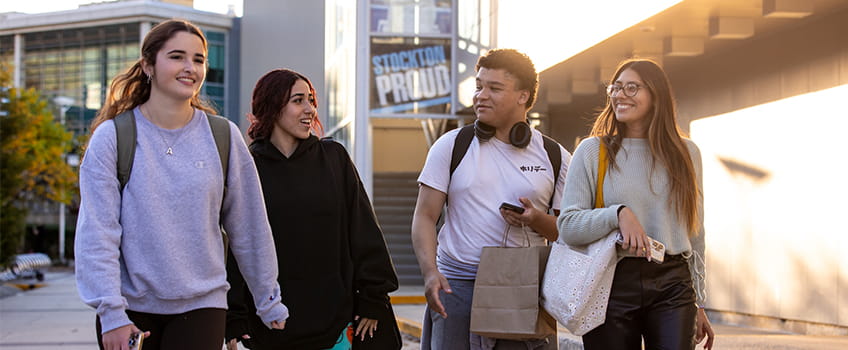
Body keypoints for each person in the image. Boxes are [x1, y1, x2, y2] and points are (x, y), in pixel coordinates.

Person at [74, 19, 288, 350]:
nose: (190, 68)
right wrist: (111, 312)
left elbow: (249, 225)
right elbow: (97, 233)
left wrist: (267, 296)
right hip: (129, 309)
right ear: (148, 64)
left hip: (203, 304)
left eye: (199, 59)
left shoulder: (222, 136)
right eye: (177, 57)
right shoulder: (114, 137)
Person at [225, 68, 401, 350]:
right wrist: (234, 314)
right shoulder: (248, 167)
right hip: (271, 326)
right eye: (298, 100)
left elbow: (363, 230)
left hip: (337, 324)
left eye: (311, 100)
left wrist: (373, 297)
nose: (309, 109)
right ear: (271, 106)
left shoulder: (334, 159)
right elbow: (237, 246)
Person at [411, 49, 571, 350]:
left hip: (524, 290)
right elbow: (424, 217)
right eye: (478, 86)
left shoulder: (556, 156)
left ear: (523, 96)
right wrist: (430, 273)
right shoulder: (451, 146)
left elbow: (568, 232)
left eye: (494, 88)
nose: (480, 95)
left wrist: (536, 218)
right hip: (456, 288)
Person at [557, 58, 715, 350]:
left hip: (673, 283)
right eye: (615, 87)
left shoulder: (687, 153)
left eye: (632, 87)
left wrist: (700, 302)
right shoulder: (593, 151)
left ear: (656, 96)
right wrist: (616, 215)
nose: (620, 95)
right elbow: (567, 226)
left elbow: (696, 233)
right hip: (610, 280)